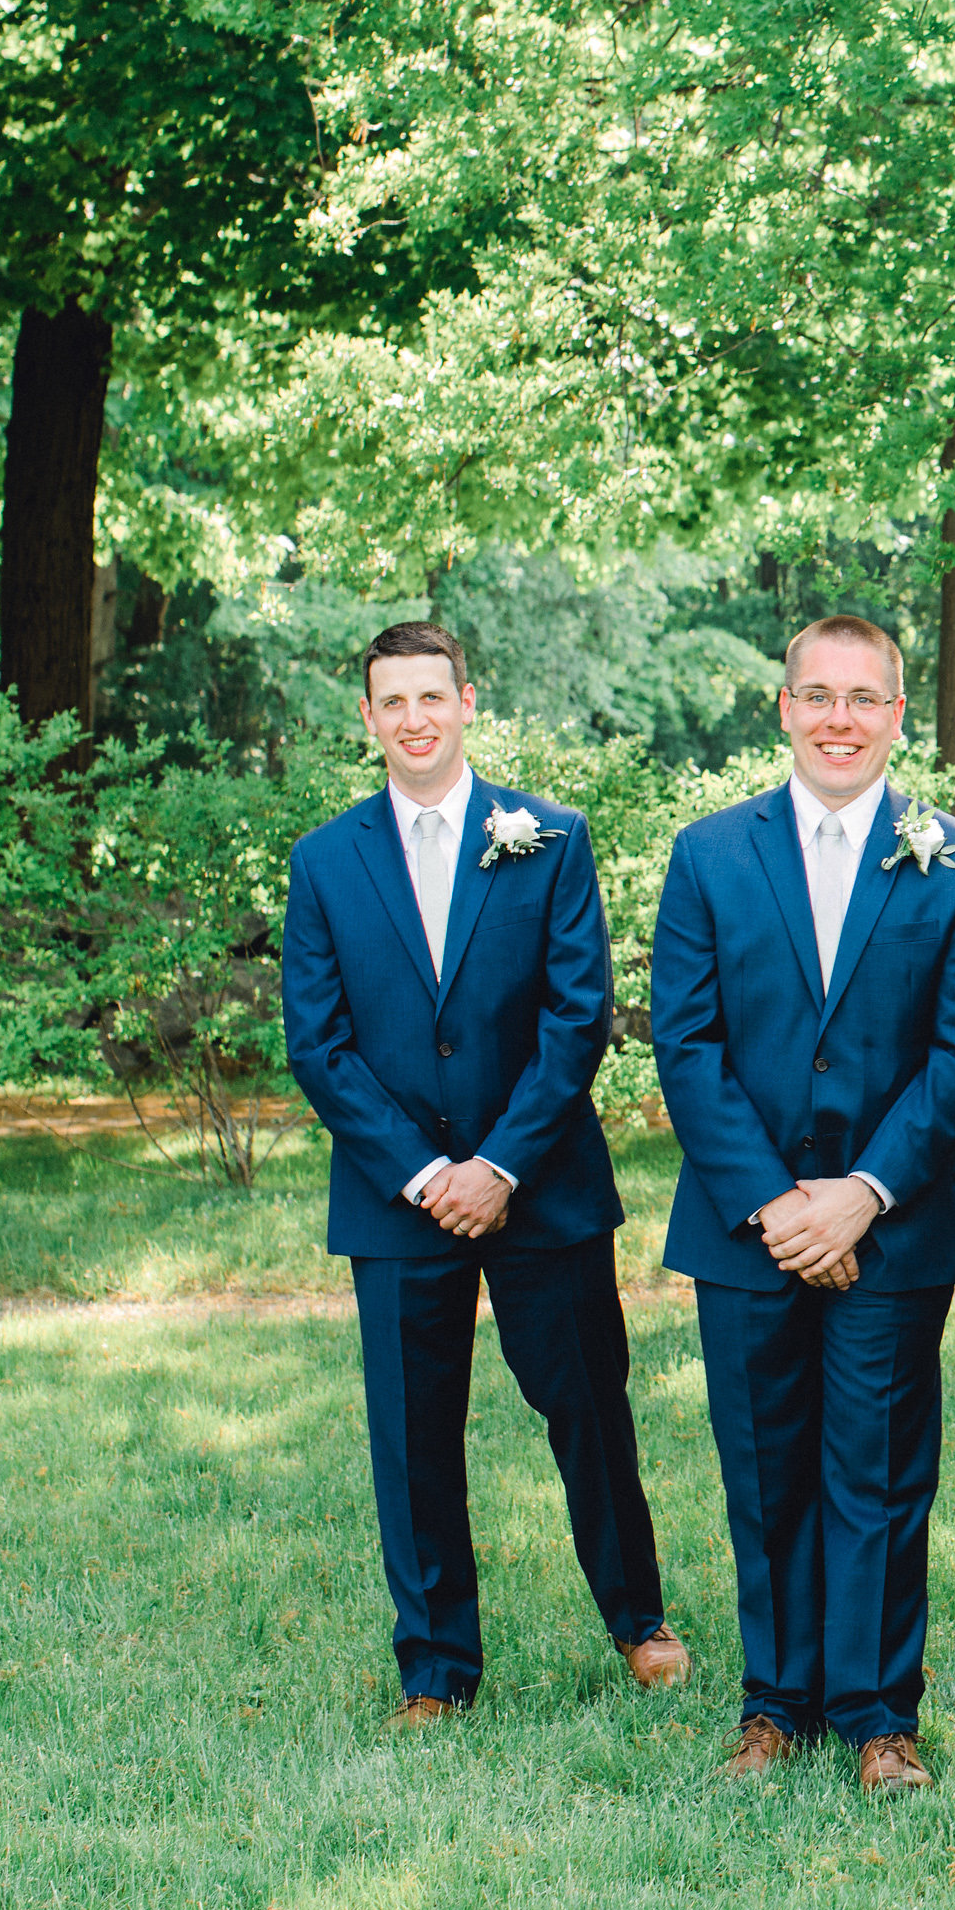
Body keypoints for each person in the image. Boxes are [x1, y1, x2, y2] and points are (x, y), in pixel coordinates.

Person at [282, 620, 684, 1727]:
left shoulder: (549, 837)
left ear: (467, 702)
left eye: (432, 696)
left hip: (541, 1183)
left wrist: (500, 1162)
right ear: (367, 717)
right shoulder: (325, 860)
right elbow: (319, 1044)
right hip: (397, 1197)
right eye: (392, 701)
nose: (413, 718)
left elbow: (577, 1015)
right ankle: (435, 1665)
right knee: (414, 1434)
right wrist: (424, 1172)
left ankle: (639, 1618)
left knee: (587, 1405)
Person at [650, 615, 955, 1789]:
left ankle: (877, 1713)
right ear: (785, 709)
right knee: (764, 1470)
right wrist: (776, 1204)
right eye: (818, 695)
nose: (839, 718)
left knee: (881, 1471)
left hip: (891, 1226)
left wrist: (858, 1193)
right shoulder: (709, 853)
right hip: (744, 1226)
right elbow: (686, 1043)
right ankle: (775, 1702)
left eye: (863, 698)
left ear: (897, 714)